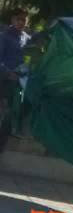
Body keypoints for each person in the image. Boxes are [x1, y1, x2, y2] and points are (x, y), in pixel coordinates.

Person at [0, 8, 38, 148]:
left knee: (25, 104)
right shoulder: (4, 37)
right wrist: (8, 73)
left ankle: (17, 130)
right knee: (7, 111)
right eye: (19, 19)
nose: (21, 22)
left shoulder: (26, 37)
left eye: (24, 19)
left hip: (22, 79)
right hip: (6, 80)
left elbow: (35, 46)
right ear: (12, 20)